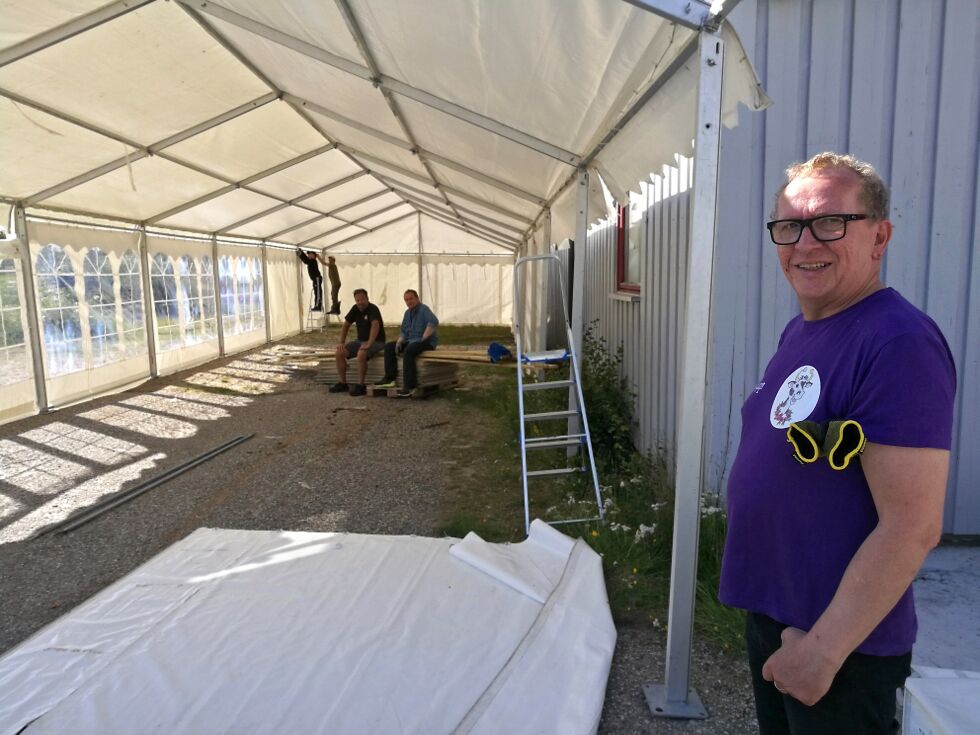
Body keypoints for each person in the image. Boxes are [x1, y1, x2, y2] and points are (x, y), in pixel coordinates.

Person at [719, 152, 956, 735]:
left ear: (880, 236)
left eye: (829, 222)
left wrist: (823, 651)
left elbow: (912, 525)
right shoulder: (804, 329)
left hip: (842, 649)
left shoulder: (897, 341)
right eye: (789, 226)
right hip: (779, 620)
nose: (805, 242)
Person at [376, 289, 439, 397]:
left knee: (409, 351)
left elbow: (433, 322)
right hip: (411, 341)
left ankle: (410, 386)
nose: (409, 302)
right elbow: (404, 331)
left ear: (417, 298)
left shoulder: (424, 309)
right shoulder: (407, 313)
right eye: (406, 300)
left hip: (426, 342)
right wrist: (400, 341)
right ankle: (390, 379)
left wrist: (424, 337)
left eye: (411, 299)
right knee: (389, 347)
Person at [330, 289, 385, 397]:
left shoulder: (373, 309)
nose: (360, 302)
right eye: (358, 300)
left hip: (377, 342)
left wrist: (369, 343)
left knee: (361, 353)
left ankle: (361, 385)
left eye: (362, 299)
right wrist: (341, 342)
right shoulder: (355, 309)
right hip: (360, 341)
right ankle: (343, 383)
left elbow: (375, 325)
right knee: (339, 353)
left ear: (367, 298)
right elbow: (346, 325)